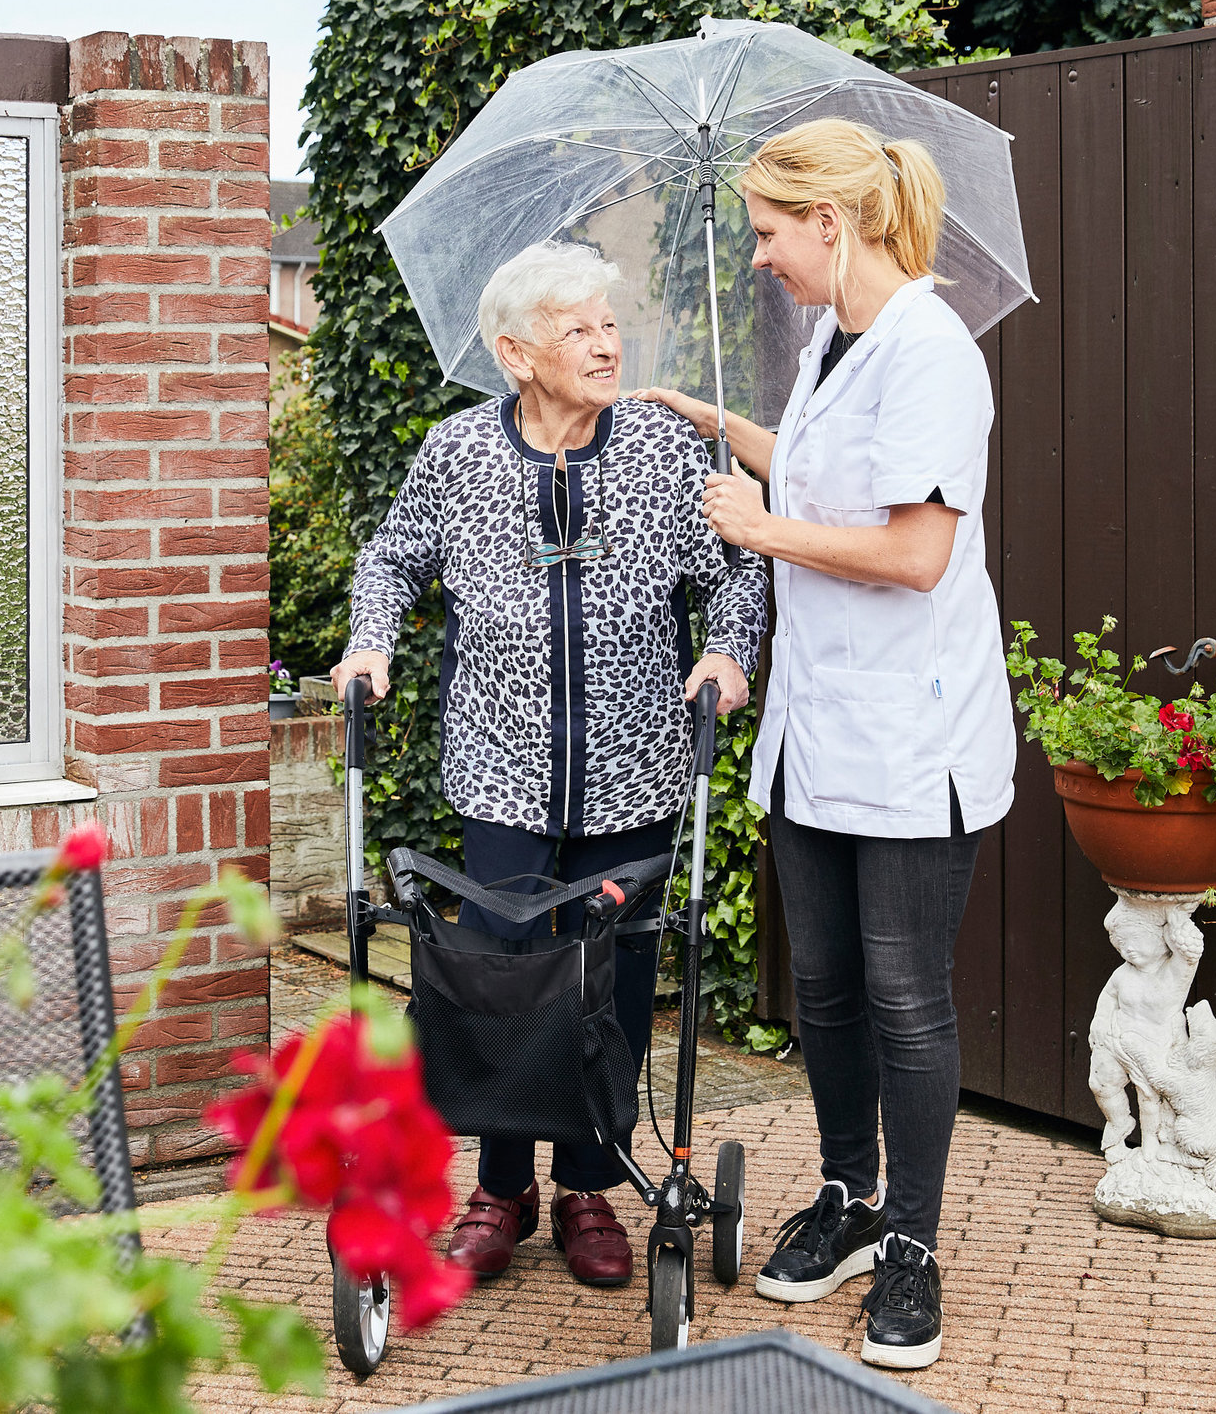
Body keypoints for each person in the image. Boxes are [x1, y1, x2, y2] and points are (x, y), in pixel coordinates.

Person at [636, 118, 1015, 1371]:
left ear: (832, 225)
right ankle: (848, 1196)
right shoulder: (829, 343)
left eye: (766, 233)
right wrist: (717, 423)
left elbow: (913, 551)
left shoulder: (931, 351)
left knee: (908, 999)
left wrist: (757, 527)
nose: (758, 258)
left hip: (910, 734)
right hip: (815, 735)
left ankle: (913, 1244)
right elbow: (815, 470)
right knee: (831, 992)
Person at [333, 239, 766, 1290]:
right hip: (501, 772)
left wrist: (727, 649)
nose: (606, 343)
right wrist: (370, 640)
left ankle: (586, 1187)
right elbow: (391, 555)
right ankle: (500, 1187)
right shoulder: (457, 451)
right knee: (502, 981)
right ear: (516, 350)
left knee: (609, 983)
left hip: (632, 768)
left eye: (609, 324)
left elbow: (743, 560)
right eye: (577, 328)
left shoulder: (665, 450)